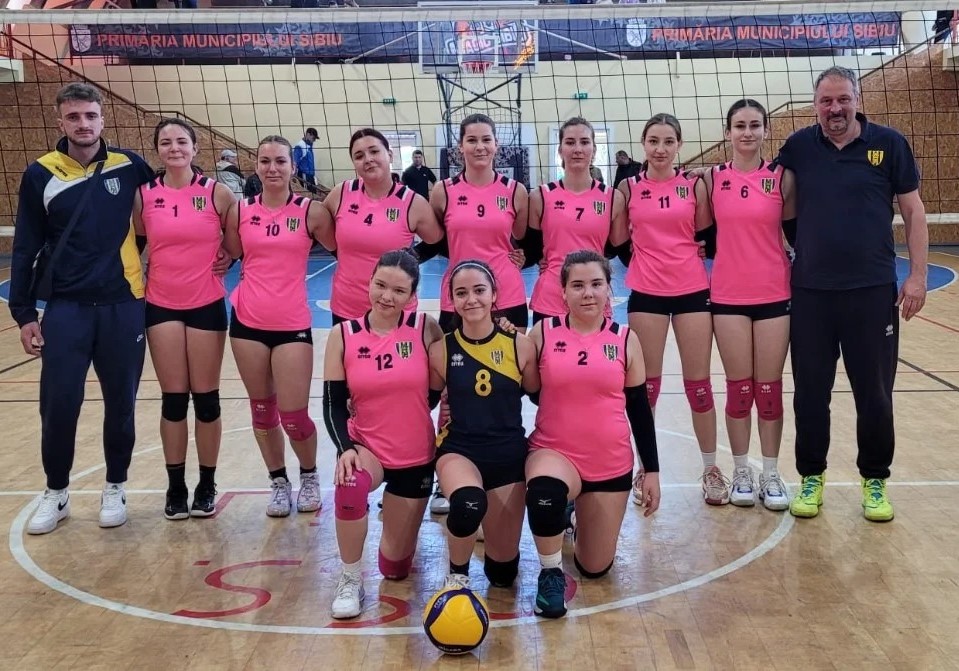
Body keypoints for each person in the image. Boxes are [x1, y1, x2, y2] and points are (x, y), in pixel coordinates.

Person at [777, 66, 928, 522]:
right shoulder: (799, 146)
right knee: (810, 393)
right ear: (815, 105)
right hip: (812, 293)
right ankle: (811, 476)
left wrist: (917, 276)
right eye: (826, 101)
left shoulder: (890, 144)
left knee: (875, 394)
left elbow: (913, 211)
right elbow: (775, 199)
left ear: (857, 100)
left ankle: (875, 480)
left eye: (843, 99)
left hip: (872, 291)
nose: (835, 108)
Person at [10, 82, 155, 534]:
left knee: (121, 404)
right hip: (67, 308)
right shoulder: (41, 173)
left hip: (122, 304)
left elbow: (168, 210)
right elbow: (25, 245)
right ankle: (56, 492)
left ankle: (115, 486)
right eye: (73, 117)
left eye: (90, 115)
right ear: (60, 122)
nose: (83, 124)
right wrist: (24, 314)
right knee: (58, 404)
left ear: (102, 119)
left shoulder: (129, 165)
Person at [525, 250, 660, 618]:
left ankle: (574, 516)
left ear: (608, 290)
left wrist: (651, 470)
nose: (588, 293)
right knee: (545, 493)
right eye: (578, 285)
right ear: (563, 292)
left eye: (596, 284)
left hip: (609, 461)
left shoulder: (626, 338)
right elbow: (528, 391)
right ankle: (550, 573)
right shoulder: (542, 333)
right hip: (554, 451)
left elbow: (639, 409)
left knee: (595, 568)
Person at [322, 250, 444, 619]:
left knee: (394, 568)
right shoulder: (343, 335)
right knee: (349, 482)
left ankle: (394, 526)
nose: (387, 297)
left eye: (399, 291)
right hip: (366, 448)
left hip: (414, 454)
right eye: (380, 285)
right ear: (370, 282)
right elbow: (332, 403)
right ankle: (350, 578)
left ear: (412, 296)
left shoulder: (425, 328)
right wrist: (345, 447)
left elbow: (436, 391)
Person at [223, 135, 334, 518]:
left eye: (280, 161)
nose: (272, 168)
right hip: (247, 322)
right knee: (262, 411)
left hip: (292, 326)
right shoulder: (239, 211)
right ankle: (278, 482)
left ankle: (309, 475)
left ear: (292, 166)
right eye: (265, 161)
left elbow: (345, 248)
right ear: (256, 165)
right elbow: (229, 252)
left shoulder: (311, 212)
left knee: (294, 415)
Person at [133, 119, 236, 520]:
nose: (174, 148)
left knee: (206, 400)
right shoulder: (144, 195)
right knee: (174, 399)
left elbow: (236, 242)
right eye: (166, 142)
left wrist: (229, 256)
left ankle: (207, 484)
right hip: (161, 304)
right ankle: (175, 486)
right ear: (158, 150)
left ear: (195, 148)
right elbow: (136, 242)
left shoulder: (217, 193)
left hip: (206, 302)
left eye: (181, 141)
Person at [619, 113, 722, 505]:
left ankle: (711, 469)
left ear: (679, 145)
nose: (660, 149)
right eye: (653, 141)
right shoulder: (628, 188)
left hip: (691, 290)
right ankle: (645, 467)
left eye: (668, 141)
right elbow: (616, 240)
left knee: (699, 385)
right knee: (645, 388)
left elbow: (707, 235)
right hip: (647, 293)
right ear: (643, 144)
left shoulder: (694, 186)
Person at [703, 99, 795, 511]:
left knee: (769, 389)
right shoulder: (712, 178)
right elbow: (692, 230)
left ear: (765, 130)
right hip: (728, 297)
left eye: (755, 125)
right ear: (728, 132)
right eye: (739, 125)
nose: (747, 132)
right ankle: (741, 470)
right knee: (739, 388)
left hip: (774, 292)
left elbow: (796, 230)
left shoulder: (782, 178)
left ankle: (771, 473)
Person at [428, 260, 540, 590]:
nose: (471, 299)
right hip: (459, 450)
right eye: (461, 293)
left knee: (503, 576)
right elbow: (423, 401)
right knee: (468, 504)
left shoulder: (520, 345)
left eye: (479, 290)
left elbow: (540, 396)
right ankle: (457, 578)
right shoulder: (441, 350)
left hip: (507, 456)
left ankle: (483, 529)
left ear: (494, 294)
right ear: (451, 300)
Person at [323, 128, 443, 325]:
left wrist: (407, 260)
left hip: (396, 309)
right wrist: (342, 254)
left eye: (374, 151)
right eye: (359, 156)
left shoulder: (412, 202)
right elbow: (318, 229)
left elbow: (436, 241)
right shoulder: (341, 193)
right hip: (348, 307)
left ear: (390, 155)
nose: (368, 159)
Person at [431, 114, 530, 333]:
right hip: (460, 289)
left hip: (506, 289)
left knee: (511, 354)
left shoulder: (516, 191)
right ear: (460, 146)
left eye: (486, 139)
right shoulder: (442, 191)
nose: (480, 147)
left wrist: (526, 256)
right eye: (472, 140)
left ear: (496, 144)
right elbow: (435, 240)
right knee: (453, 355)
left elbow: (523, 238)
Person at [523, 117, 628, 324]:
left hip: (593, 297)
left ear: (594, 149)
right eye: (570, 142)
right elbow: (531, 248)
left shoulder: (613, 198)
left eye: (584, 142)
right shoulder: (539, 196)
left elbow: (619, 249)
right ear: (560, 150)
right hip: (551, 297)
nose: (577, 149)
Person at [293, 127, 318, 194]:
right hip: (304, 176)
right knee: (307, 195)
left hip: (310, 176)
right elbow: (295, 162)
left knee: (313, 194)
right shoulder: (300, 146)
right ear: (308, 135)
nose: (314, 140)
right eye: (313, 138)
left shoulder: (309, 145)